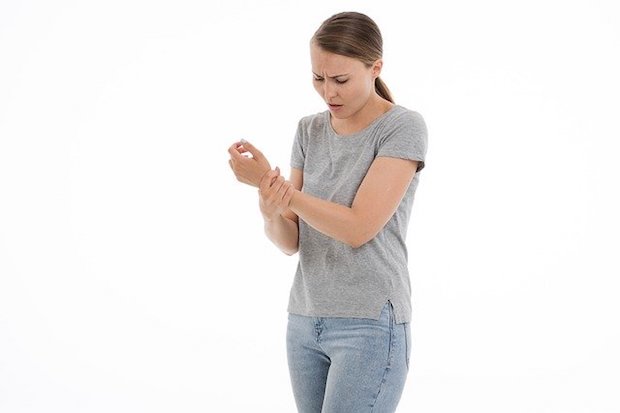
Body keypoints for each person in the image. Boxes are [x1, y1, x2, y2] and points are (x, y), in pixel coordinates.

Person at [227, 11, 428, 413]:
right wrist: (269, 204)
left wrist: (276, 185)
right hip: (304, 318)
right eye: (318, 78)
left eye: (340, 80)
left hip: (369, 324)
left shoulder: (402, 127)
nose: (328, 92)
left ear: (375, 68)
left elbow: (358, 228)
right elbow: (290, 241)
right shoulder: (308, 130)